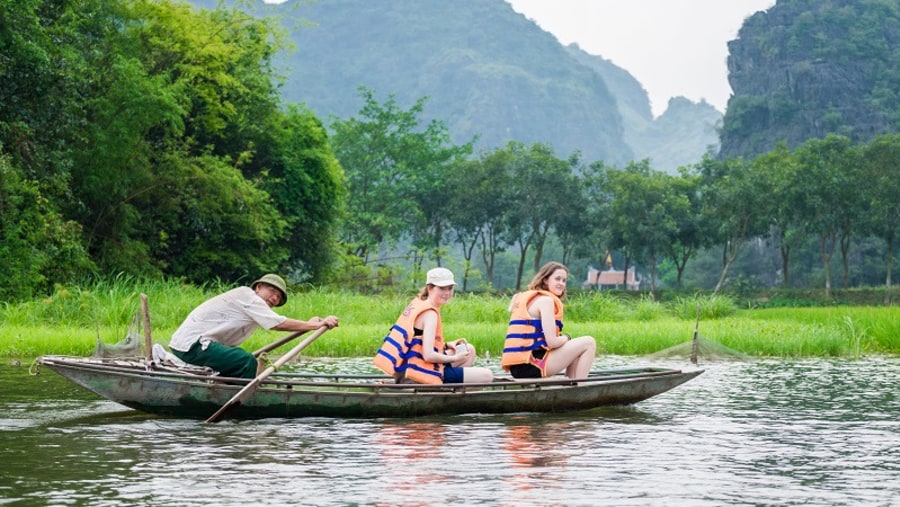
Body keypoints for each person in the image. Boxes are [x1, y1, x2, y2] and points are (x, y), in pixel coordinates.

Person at [168, 274, 339, 378]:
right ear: (258, 287)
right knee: (246, 361)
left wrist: (310, 324)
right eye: (272, 292)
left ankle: (232, 392)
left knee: (242, 363)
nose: (274, 299)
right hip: (192, 345)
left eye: (278, 298)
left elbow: (276, 320)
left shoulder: (256, 309)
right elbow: (277, 323)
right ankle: (243, 400)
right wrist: (314, 325)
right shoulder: (248, 295)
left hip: (190, 346)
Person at [373, 267, 493, 384]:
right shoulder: (430, 314)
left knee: (469, 350)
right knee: (487, 375)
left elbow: (418, 343)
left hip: (405, 369)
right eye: (442, 288)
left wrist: (445, 346)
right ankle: (439, 385)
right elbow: (429, 356)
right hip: (415, 375)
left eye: (450, 288)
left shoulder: (419, 303)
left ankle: (447, 385)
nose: (447, 293)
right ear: (430, 288)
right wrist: (455, 359)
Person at [502, 261, 596, 380]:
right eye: (557, 279)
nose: (561, 283)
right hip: (532, 364)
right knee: (589, 342)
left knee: (576, 349)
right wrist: (567, 338)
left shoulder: (529, 297)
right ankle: (581, 388)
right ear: (545, 280)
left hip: (519, 367)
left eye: (564, 280)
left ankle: (572, 385)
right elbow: (552, 342)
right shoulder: (546, 301)